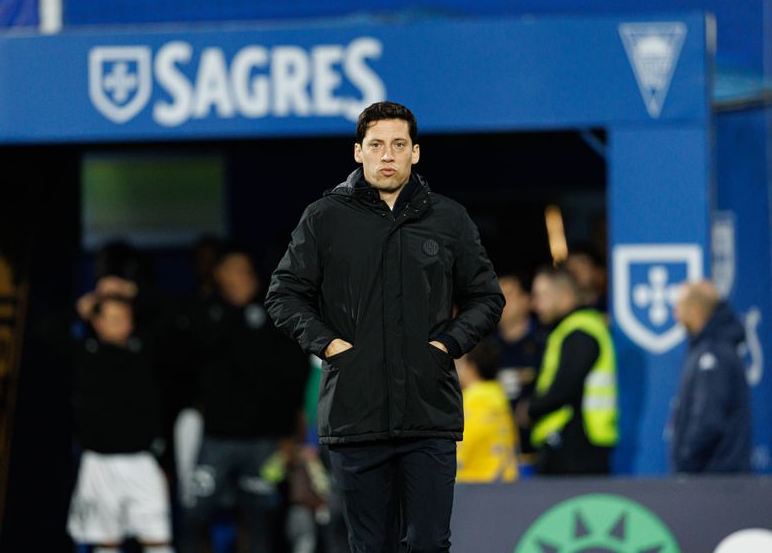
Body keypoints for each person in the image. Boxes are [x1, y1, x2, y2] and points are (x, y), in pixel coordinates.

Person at [266, 101, 504, 552]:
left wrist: (448, 344)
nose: (388, 155)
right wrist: (330, 346)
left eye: (399, 144)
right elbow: (284, 295)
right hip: (356, 415)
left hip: (428, 413)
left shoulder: (448, 218)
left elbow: (487, 297)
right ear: (358, 152)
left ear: (416, 152)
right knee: (370, 546)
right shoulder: (324, 217)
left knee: (430, 544)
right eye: (377, 145)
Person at [179, 244, 310, 553]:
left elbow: (292, 373)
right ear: (219, 274)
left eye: (247, 270)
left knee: (261, 519)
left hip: (263, 439)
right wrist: (235, 311)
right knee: (194, 514)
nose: (244, 276)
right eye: (235, 270)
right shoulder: (203, 310)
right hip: (216, 437)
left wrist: (288, 431)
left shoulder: (274, 310)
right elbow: (192, 357)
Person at [66, 290, 174, 553]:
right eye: (111, 318)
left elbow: (171, 317)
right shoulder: (84, 354)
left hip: (141, 461)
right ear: (97, 322)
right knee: (106, 542)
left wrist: (132, 293)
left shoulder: (145, 351)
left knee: (158, 539)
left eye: (124, 317)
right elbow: (46, 331)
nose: (119, 324)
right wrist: (79, 309)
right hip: (99, 463)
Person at [516, 267, 617, 475]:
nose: (535, 305)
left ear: (564, 295)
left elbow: (566, 386)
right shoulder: (566, 330)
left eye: (541, 296)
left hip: (577, 446)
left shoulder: (581, 330)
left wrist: (531, 409)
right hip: (571, 444)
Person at [671, 281, 751, 473]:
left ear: (696, 309)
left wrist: (686, 462)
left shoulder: (713, 354)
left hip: (716, 480)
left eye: (679, 307)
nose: (676, 314)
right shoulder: (707, 349)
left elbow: (709, 420)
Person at [490, 271, 545, 466]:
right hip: (495, 451)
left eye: (509, 294)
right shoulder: (484, 350)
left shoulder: (544, 345)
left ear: (527, 300)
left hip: (536, 449)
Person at [454, 341, 518, 483]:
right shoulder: (498, 397)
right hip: (504, 482)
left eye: (459, 363)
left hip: (475, 484)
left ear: (471, 368)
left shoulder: (473, 402)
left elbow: (460, 450)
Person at [565, 244, 607, 313]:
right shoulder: (563, 311)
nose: (575, 272)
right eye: (570, 267)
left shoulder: (611, 306)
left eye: (582, 265)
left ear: (598, 271)